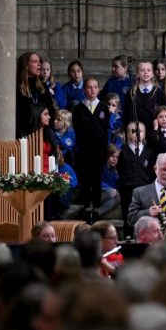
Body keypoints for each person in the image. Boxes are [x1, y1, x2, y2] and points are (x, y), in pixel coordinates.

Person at [72, 77, 110, 223]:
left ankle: (96, 209)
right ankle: (87, 208)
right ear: (84, 90)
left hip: (99, 152)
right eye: (89, 87)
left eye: (95, 87)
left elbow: (104, 130)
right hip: (84, 152)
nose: (92, 90)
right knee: (85, 181)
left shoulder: (103, 108)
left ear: (98, 89)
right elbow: (78, 130)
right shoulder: (78, 109)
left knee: (96, 181)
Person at [16, 52, 56, 138]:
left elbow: (51, 110)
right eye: (35, 62)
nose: (39, 64)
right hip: (25, 135)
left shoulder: (42, 85)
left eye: (39, 61)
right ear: (26, 66)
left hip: (43, 132)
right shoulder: (17, 87)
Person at [123, 60, 166, 132]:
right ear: (137, 74)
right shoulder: (131, 93)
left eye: (149, 70)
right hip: (136, 132)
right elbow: (126, 115)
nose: (146, 72)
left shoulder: (159, 92)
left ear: (152, 74)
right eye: (142, 70)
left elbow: (165, 113)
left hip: (154, 132)